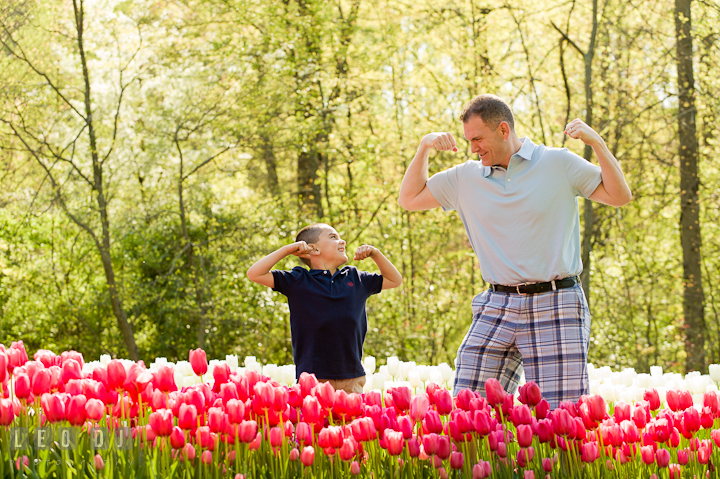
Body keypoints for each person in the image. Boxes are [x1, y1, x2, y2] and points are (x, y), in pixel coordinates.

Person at [398, 94, 631, 407]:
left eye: (478, 138)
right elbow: (409, 199)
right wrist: (424, 147)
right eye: (468, 140)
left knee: (560, 417)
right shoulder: (465, 177)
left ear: (504, 130)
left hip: (556, 302)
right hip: (497, 303)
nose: (472, 148)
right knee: (468, 408)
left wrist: (597, 143)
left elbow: (619, 195)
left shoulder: (557, 162)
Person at [246, 223, 403, 394]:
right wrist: (288, 249)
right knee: (315, 421)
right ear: (313, 249)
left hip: (351, 376)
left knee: (352, 421)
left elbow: (395, 280)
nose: (342, 241)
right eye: (333, 237)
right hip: (313, 379)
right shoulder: (298, 280)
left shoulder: (356, 278)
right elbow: (254, 273)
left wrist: (375, 253)